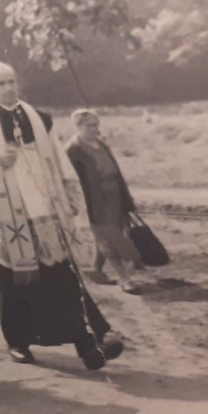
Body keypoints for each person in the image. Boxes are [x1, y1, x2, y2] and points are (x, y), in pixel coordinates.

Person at [0, 62, 124, 370]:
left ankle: (85, 342)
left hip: (43, 210)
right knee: (12, 283)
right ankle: (18, 341)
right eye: (1, 83)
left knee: (62, 277)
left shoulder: (38, 119)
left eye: (12, 81)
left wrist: (69, 196)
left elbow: (58, 159)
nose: (9, 88)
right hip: (2, 213)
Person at [64, 108, 142, 292]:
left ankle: (95, 269)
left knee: (110, 235)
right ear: (78, 126)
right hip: (95, 201)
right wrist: (76, 205)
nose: (95, 129)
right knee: (110, 239)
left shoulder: (101, 144)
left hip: (114, 196)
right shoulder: (73, 150)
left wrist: (126, 199)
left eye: (96, 124)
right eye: (89, 125)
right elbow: (70, 181)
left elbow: (117, 173)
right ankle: (124, 279)